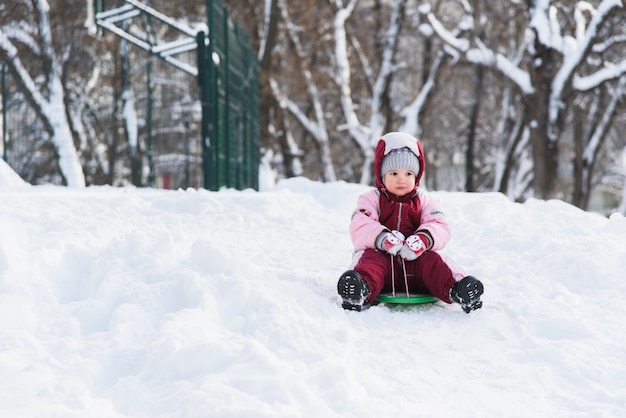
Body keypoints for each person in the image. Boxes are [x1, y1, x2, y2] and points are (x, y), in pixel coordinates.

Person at [337, 132, 484, 313]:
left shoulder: (425, 200)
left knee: (434, 261)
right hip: (383, 265)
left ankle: (458, 290)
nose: (401, 179)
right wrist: (383, 239)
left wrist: (423, 239)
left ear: (417, 175)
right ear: (381, 175)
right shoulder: (371, 199)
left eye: (408, 173)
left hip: (416, 268)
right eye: (394, 173)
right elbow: (360, 225)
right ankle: (359, 290)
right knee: (369, 259)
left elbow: (439, 224)